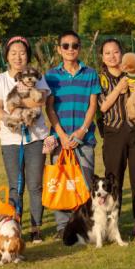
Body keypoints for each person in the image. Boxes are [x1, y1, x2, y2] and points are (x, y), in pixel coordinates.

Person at [0, 36, 50, 243]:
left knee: (35, 185)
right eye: (13, 53)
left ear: (28, 55)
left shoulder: (36, 76)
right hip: (10, 140)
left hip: (36, 137)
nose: (18, 57)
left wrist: (16, 105)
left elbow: (40, 100)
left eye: (22, 53)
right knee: (16, 185)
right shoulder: (0, 79)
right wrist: (10, 116)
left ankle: (36, 228)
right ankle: (14, 225)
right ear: (7, 55)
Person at [45, 31, 101, 239]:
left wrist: (81, 131)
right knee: (61, 182)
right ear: (59, 49)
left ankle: (83, 224)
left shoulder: (90, 74)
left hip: (84, 139)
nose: (70, 49)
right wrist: (61, 135)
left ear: (80, 48)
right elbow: (49, 108)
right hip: (60, 139)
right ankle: (62, 227)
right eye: (65, 45)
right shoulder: (50, 76)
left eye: (74, 45)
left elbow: (93, 105)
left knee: (85, 184)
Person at [98, 38, 135, 238]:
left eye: (116, 52)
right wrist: (119, 88)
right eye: (107, 53)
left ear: (122, 53)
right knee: (113, 178)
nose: (112, 56)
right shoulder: (101, 79)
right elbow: (103, 107)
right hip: (114, 132)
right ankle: (113, 223)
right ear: (102, 57)